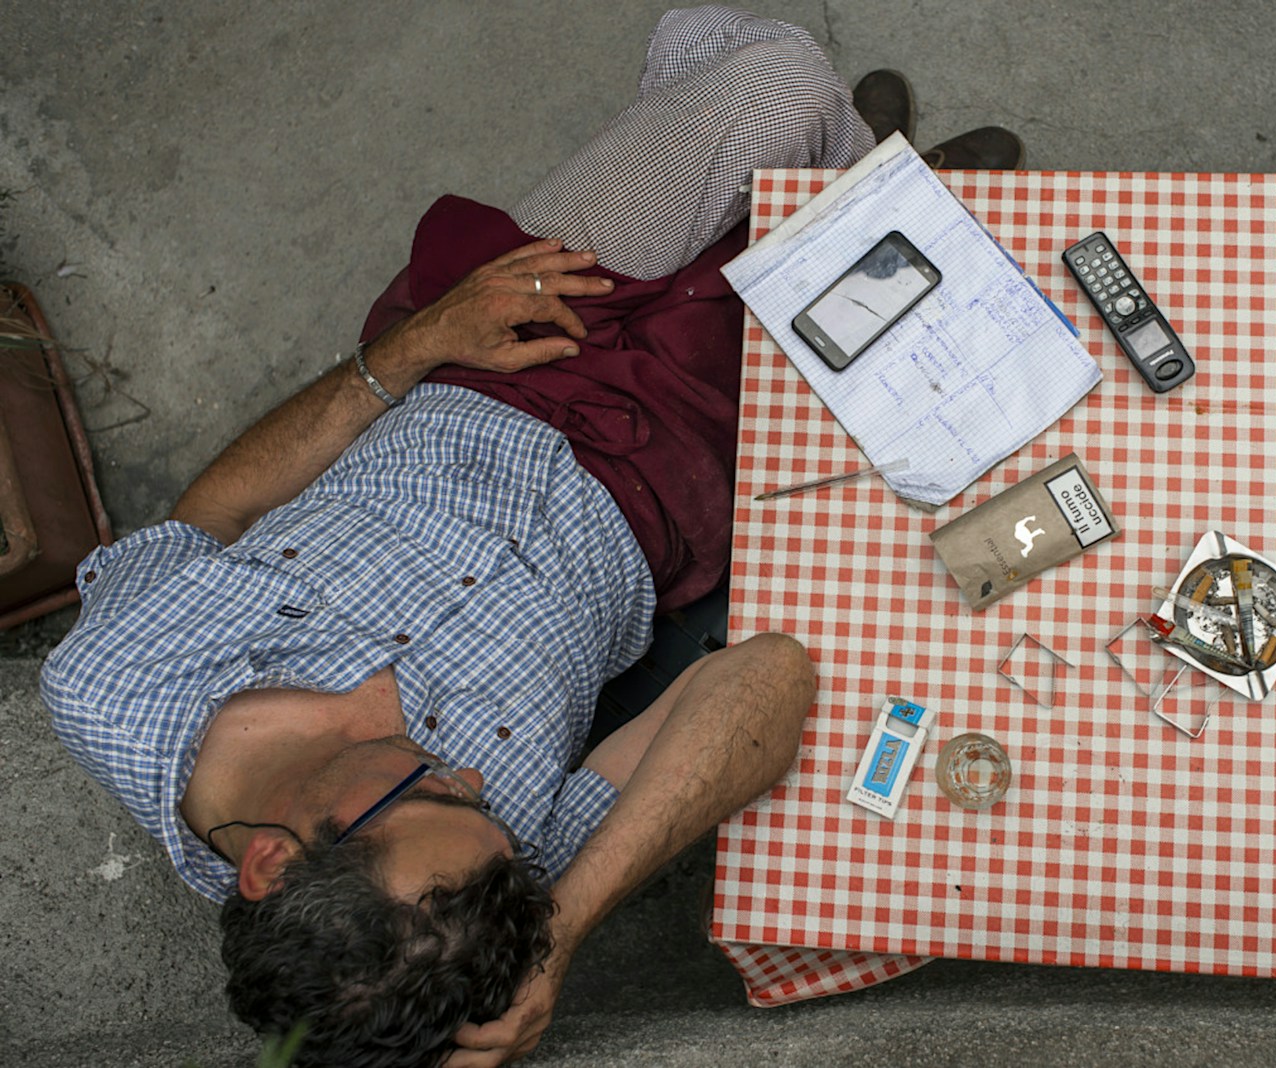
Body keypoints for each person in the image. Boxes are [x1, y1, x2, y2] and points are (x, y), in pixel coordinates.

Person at [39, 7, 1023, 1067]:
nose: (470, 780)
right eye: (491, 822)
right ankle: (876, 192)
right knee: (886, 324)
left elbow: (211, 516)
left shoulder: (114, 686)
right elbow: (770, 675)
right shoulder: (499, 875)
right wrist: (563, 925)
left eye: (429, 790)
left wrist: (411, 349)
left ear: (271, 861)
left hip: (493, 360)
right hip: (668, 481)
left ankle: (848, 176)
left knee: (770, 83)